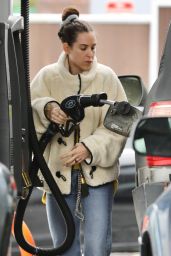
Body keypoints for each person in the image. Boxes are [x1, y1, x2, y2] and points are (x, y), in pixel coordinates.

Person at [31, 7, 127, 256]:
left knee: (97, 249)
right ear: (66, 47)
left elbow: (120, 123)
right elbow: (27, 116)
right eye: (83, 48)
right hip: (56, 177)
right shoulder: (47, 78)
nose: (91, 54)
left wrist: (89, 147)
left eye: (93, 47)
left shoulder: (108, 78)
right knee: (64, 250)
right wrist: (47, 108)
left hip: (98, 179)